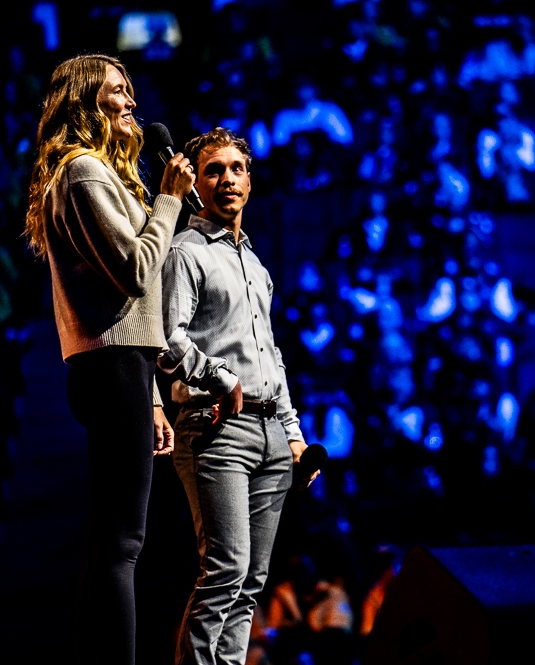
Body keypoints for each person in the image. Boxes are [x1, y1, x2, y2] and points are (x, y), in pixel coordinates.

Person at [23, 54, 194, 665]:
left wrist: (149, 395)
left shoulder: (98, 176)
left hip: (124, 370)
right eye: (115, 92)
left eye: (129, 90)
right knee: (123, 543)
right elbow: (136, 272)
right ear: (83, 105)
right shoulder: (85, 175)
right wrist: (170, 201)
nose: (130, 102)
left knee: (110, 543)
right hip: (112, 366)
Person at [158, 127, 318, 665]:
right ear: (196, 184)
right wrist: (220, 376)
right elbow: (165, 338)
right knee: (225, 572)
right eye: (213, 170)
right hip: (215, 425)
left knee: (251, 582)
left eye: (236, 168)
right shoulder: (184, 251)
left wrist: (293, 434)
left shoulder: (256, 265)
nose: (226, 178)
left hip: (271, 432)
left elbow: (272, 356)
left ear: (250, 180)